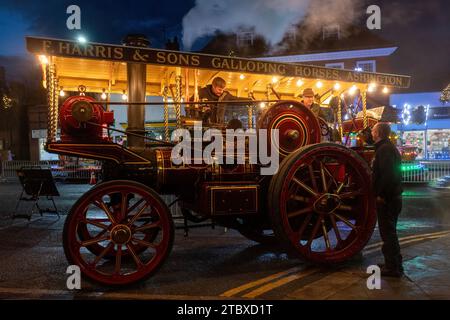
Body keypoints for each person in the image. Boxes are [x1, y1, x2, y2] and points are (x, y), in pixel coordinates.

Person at [371, 122, 404, 277]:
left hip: (388, 198)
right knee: (389, 232)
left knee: (388, 233)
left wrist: (381, 194)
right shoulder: (387, 148)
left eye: (373, 130)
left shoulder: (384, 150)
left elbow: (388, 175)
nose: (371, 132)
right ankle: (393, 263)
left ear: (378, 133)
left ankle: (393, 268)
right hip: (393, 197)